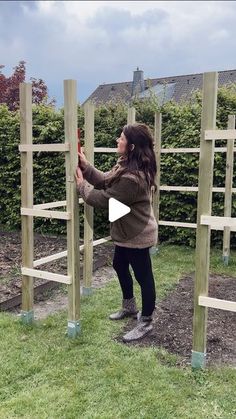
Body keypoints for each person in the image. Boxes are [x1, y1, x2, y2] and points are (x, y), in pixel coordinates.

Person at [74, 123, 158, 342]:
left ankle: (146, 321)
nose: (117, 140)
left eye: (121, 138)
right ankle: (129, 307)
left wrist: (81, 185)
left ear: (130, 146)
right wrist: (86, 166)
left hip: (137, 234)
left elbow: (103, 198)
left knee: (144, 276)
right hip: (125, 231)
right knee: (119, 264)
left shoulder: (133, 178)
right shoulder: (125, 165)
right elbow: (105, 181)